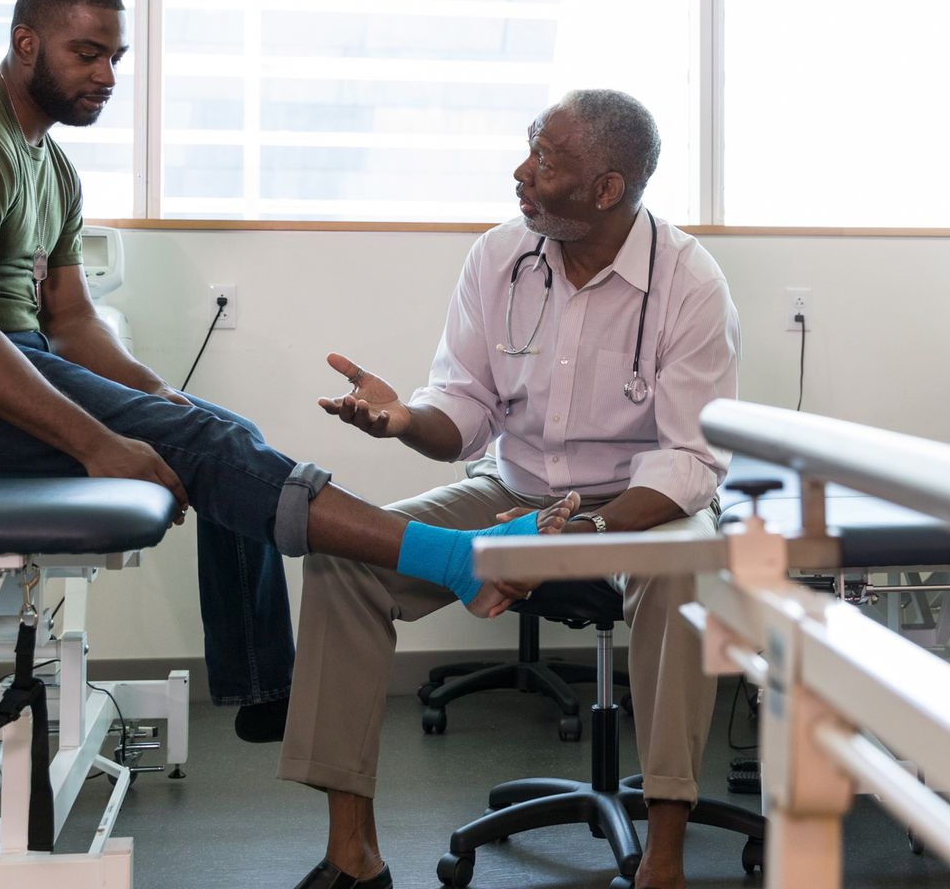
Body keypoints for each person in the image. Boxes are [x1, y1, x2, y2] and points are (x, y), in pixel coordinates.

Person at [0, 0, 575, 746]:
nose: (106, 74)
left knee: (216, 427)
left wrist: (158, 399)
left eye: (116, 57)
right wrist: (100, 443)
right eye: (86, 53)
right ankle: (457, 560)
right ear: (26, 43)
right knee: (211, 447)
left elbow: (72, 321)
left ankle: (264, 686)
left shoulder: (49, 166)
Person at [282, 90, 740, 889]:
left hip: (640, 507)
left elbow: (691, 461)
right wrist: (401, 420)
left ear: (606, 189)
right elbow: (462, 413)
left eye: (546, 161)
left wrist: (584, 539)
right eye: (528, 149)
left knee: (684, 573)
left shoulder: (690, 284)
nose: (521, 173)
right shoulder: (502, 256)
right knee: (347, 557)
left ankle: (663, 859)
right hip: (515, 489)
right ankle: (351, 853)